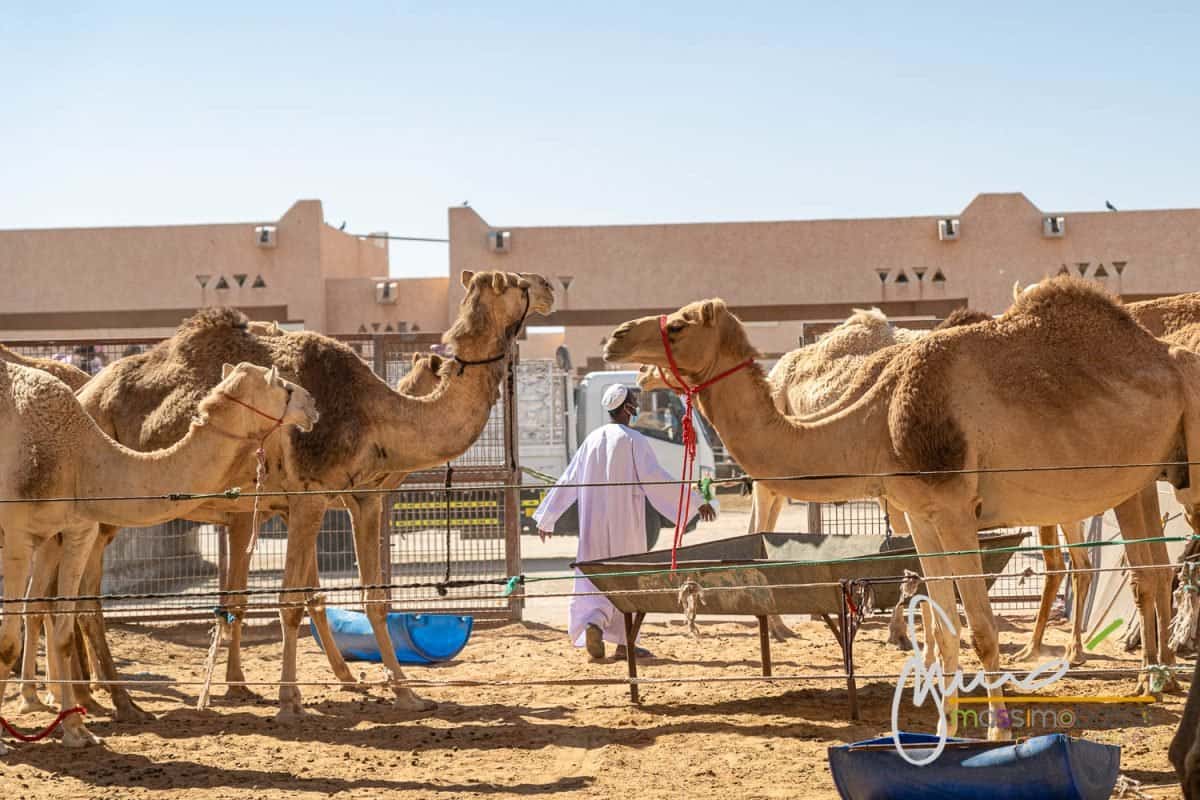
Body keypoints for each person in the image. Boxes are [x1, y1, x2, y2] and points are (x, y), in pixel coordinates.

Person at [534, 383, 716, 661]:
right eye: (634, 401)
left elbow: (568, 479)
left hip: (593, 525)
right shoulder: (634, 440)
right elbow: (657, 479)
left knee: (596, 575)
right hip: (626, 525)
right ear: (628, 408)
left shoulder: (592, 440)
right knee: (627, 578)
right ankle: (624, 643)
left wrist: (547, 517)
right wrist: (695, 500)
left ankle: (594, 622)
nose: (636, 405)